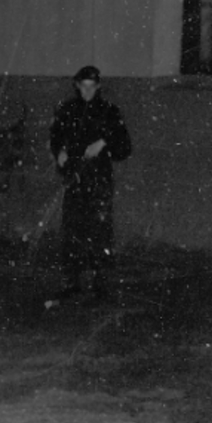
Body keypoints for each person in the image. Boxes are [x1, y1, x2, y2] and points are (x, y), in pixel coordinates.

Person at [49, 65, 132, 294]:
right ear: (77, 85)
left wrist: (104, 142)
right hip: (74, 178)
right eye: (83, 86)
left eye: (91, 87)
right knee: (73, 229)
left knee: (99, 230)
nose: (87, 91)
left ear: (98, 86)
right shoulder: (67, 110)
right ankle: (72, 280)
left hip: (99, 179)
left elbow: (124, 147)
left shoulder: (109, 112)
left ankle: (99, 281)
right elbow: (56, 137)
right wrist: (60, 152)